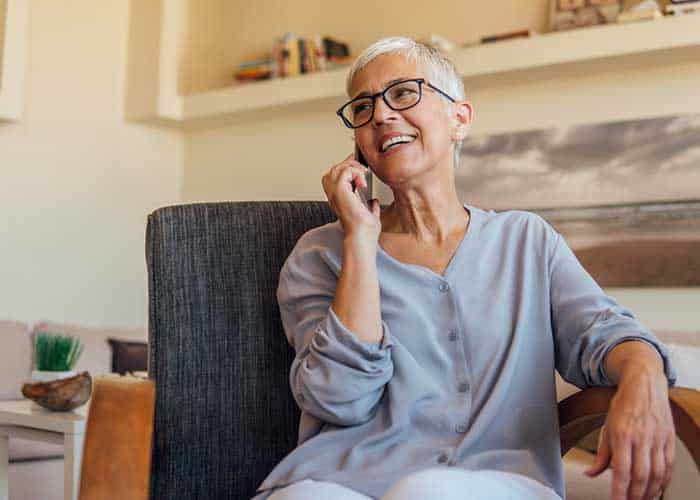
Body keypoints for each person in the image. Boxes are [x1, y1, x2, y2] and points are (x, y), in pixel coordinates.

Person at [252, 37, 677, 500]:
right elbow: (337, 397)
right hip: (338, 479)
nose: (381, 115)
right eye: (363, 107)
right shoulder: (320, 254)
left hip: (498, 481)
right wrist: (359, 240)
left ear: (460, 118)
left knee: (428, 492)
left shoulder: (526, 241)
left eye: (403, 93)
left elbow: (607, 334)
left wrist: (644, 380)